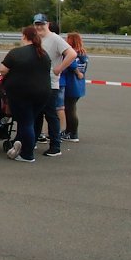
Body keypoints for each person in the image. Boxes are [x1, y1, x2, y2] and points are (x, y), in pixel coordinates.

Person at [0, 26, 52, 162]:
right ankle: (21, 143)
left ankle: (27, 154)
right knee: (29, 120)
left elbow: (3, 70)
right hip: (43, 93)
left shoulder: (16, 53)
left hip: (22, 93)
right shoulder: (44, 54)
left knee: (26, 122)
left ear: (24, 36)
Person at [32, 14, 77, 157]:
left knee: (51, 115)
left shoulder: (55, 39)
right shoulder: (36, 38)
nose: (39, 27)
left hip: (50, 84)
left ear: (47, 24)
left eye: (41, 24)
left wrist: (59, 68)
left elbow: (72, 54)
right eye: (37, 24)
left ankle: (55, 146)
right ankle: (33, 141)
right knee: (36, 114)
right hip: (36, 82)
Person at [61, 32, 88, 142]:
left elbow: (71, 65)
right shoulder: (83, 54)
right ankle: (69, 130)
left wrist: (76, 72)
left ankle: (72, 133)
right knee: (71, 108)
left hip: (71, 84)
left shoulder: (71, 54)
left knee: (69, 109)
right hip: (79, 85)